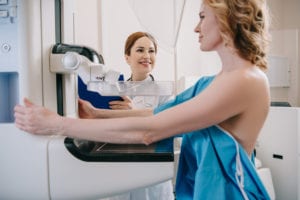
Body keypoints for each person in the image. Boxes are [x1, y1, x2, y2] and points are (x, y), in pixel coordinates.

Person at [14, 0, 272, 199]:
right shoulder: (213, 82)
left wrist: (57, 124)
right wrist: (97, 114)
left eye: (202, 17)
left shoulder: (246, 81)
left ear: (227, 17)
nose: (196, 27)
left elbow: (150, 131)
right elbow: (157, 114)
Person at [94, 32, 174, 200]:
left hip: (151, 176)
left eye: (151, 51)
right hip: (120, 172)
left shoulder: (165, 93)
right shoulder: (113, 91)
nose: (147, 56)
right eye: (140, 50)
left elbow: (166, 130)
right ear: (127, 57)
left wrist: (133, 110)